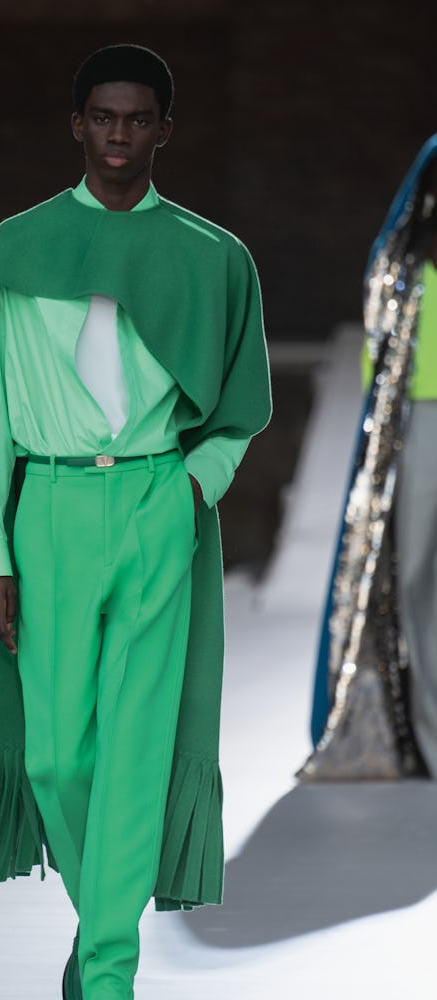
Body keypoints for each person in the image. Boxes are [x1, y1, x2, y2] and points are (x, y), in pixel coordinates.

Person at [0, 44, 271, 999]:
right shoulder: (20, 249)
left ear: (164, 129)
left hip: (159, 502)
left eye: (138, 119)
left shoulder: (211, 255)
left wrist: (197, 487)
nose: (120, 136)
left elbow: (241, 405)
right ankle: (104, 924)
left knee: (139, 747)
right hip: (54, 507)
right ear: (78, 127)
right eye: (103, 118)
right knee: (56, 754)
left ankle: (105, 972)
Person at [301, 135, 437, 781]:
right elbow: (378, 362)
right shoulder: (400, 266)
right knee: (413, 583)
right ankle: (429, 737)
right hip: (419, 429)